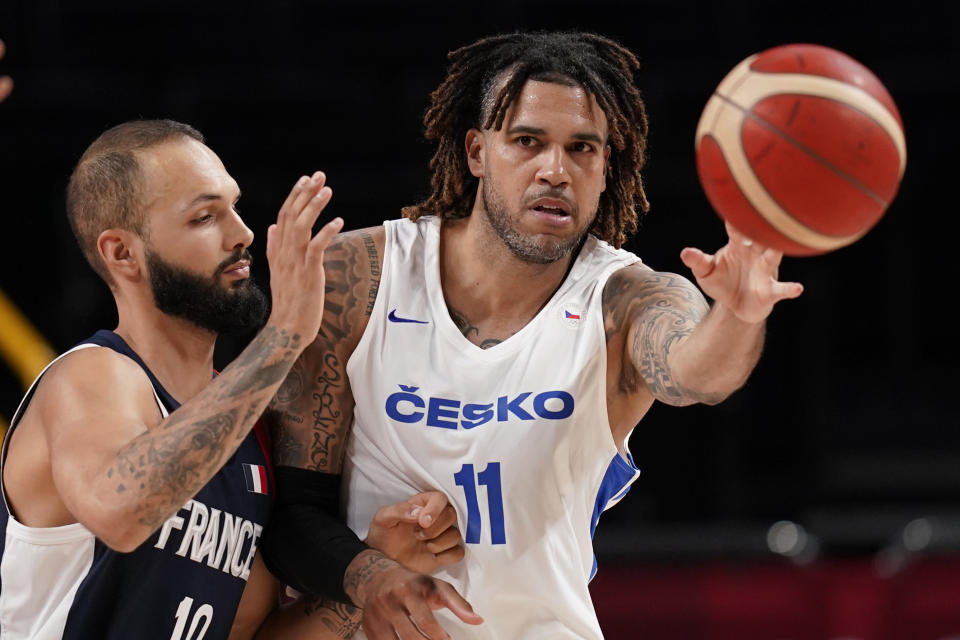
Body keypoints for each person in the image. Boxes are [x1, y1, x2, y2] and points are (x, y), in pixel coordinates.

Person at [261, 30, 803, 640]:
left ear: (605, 170)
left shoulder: (623, 299)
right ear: (476, 152)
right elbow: (293, 515)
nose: (556, 170)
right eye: (527, 141)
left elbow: (697, 375)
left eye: (582, 149)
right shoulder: (359, 277)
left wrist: (740, 313)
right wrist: (371, 572)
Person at [0, 119, 468, 639]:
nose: (242, 234)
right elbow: (121, 510)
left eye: (235, 207)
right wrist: (285, 333)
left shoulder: (245, 429)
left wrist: (371, 571)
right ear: (122, 253)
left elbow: (251, 633)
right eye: (204, 217)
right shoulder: (92, 374)